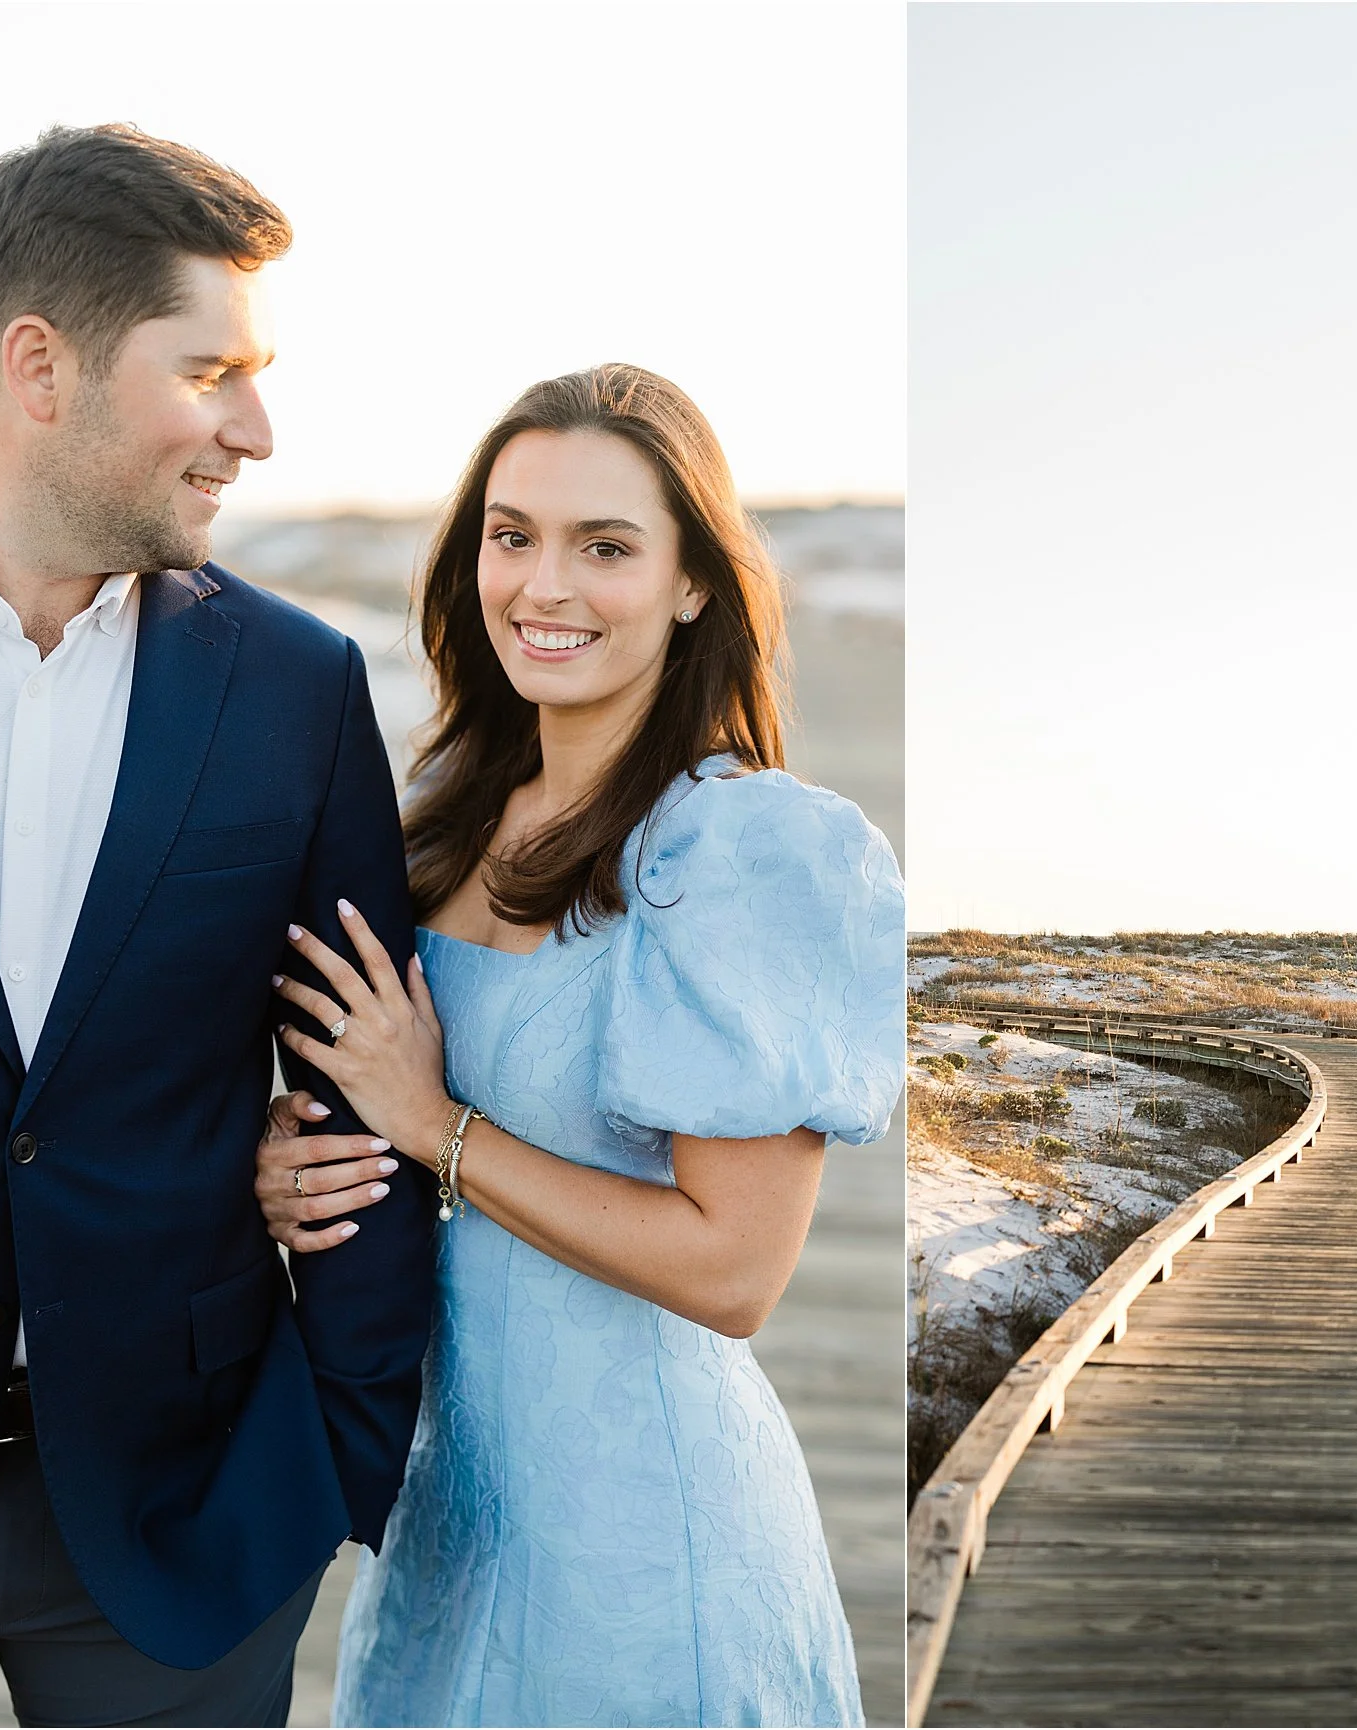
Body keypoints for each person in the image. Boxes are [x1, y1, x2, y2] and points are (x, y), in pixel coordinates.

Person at [0, 125, 436, 1726]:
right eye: (213, 372)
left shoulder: (296, 691)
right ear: (38, 364)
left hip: (182, 1516)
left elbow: (361, 1101)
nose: (255, 431)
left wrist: (336, 1448)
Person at [249, 365, 903, 1727]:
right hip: (451, 1525)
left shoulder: (742, 849)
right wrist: (287, 1168)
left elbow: (733, 1269)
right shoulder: (438, 813)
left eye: (605, 546)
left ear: (692, 584)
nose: (545, 586)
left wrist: (438, 1129)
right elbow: (372, 1114)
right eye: (513, 534)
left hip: (650, 1550)